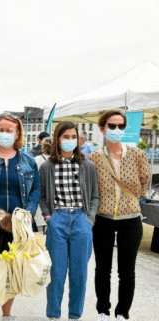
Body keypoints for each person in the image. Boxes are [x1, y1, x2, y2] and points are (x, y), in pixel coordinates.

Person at [88, 110, 150, 321]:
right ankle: (103, 310)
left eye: (120, 126)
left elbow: (144, 184)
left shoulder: (137, 155)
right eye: (111, 126)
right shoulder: (94, 158)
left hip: (131, 220)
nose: (116, 130)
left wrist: (129, 203)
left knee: (127, 271)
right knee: (102, 269)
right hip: (102, 219)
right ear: (102, 128)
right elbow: (91, 188)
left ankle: (123, 311)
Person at [0, 113, 41, 321]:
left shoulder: (28, 161)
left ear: (17, 134)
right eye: (1, 129)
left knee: (12, 271)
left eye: (9, 130)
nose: (4, 133)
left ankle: (6, 315)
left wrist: (30, 211)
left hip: (19, 224)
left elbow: (36, 189)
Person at [39, 121, 100, 321]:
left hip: (81, 219)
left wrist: (89, 218)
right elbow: (41, 195)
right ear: (57, 139)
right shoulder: (48, 166)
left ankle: (75, 315)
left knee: (79, 272)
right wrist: (49, 216)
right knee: (56, 272)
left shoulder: (88, 165)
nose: (70, 141)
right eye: (66, 137)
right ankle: (53, 314)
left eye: (73, 137)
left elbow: (95, 196)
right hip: (58, 218)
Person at [34, 137, 52, 231]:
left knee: (39, 232)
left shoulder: (36, 159)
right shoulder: (57, 160)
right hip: (52, 200)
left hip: (39, 198)